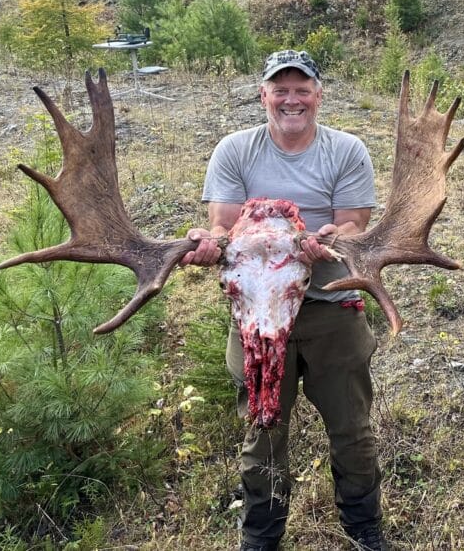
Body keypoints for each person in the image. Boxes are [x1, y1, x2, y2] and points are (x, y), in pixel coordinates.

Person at [182, 50, 389, 551]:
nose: (291, 99)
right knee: (262, 431)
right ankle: (261, 536)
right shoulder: (234, 149)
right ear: (264, 96)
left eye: (301, 89)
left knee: (352, 429)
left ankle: (364, 530)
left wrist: (330, 239)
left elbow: (355, 224)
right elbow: (223, 223)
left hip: (330, 307)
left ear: (318, 95)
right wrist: (211, 242)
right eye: (281, 89)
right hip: (256, 316)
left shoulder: (346, 150)